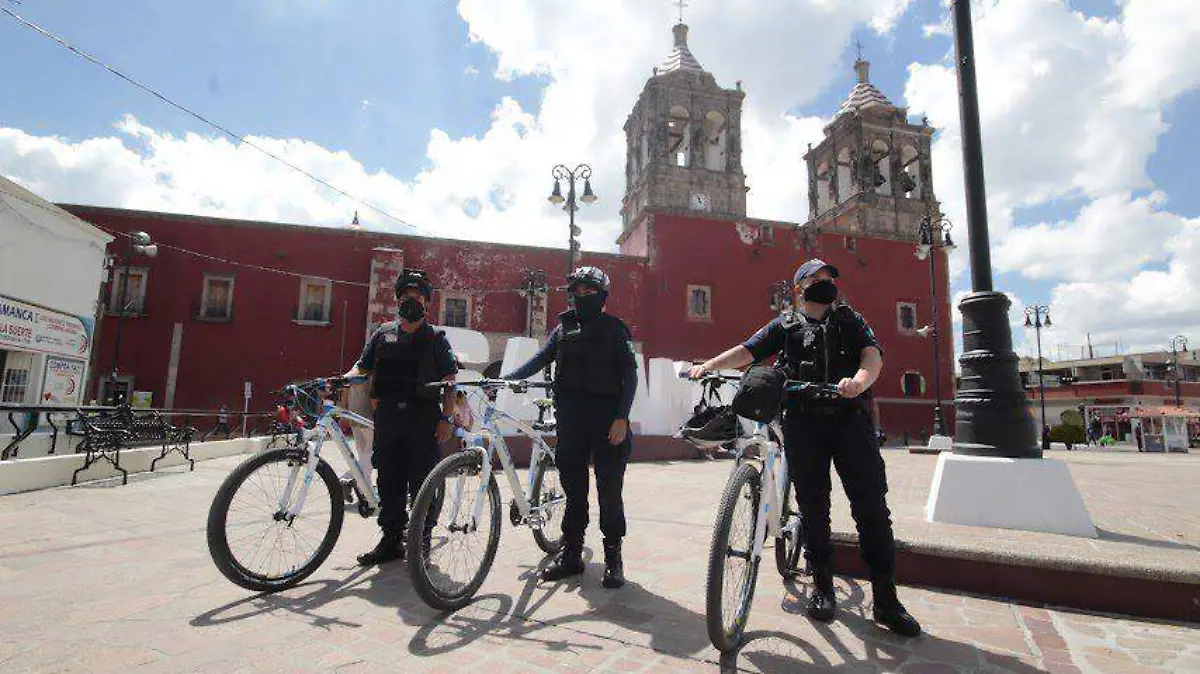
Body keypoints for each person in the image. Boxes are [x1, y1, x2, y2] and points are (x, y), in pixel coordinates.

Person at [688, 259, 920, 638]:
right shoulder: (786, 324)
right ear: (799, 288)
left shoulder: (849, 320)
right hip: (803, 423)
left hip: (850, 420)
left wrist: (860, 382)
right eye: (816, 279)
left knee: (872, 510)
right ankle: (823, 587)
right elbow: (748, 350)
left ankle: (886, 598)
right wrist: (708, 366)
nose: (825, 283)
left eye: (829, 278)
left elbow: (872, 355)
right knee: (814, 508)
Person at [503, 266, 638, 589]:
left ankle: (614, 558)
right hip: (571, 419)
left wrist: (622, 418)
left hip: (608, 420)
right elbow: (540, 359)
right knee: (574, 491)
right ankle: (572, 554)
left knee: (609, 490)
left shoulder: (615, 329)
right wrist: (507, 380)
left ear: (602, 295)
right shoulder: (562, 329)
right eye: (576, 291)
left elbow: (630, 377)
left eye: (588, 291)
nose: (581, 296)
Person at [342, 269, 458, 566]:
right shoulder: (383, 333)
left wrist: (447, 418)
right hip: (389, 418)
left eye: (418, 297)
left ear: (427, 303)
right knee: (389, 482)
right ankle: (391, 540)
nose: (412, 301)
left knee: (423, 483)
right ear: (398, 299)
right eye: (406, 296)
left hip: (424, 418)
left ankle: (421, 542)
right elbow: (363, 367)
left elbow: (449, 378)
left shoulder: (435, 338)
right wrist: (342, 380)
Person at [338, 378, 376, 503]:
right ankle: (345, 479)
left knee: (364, 456)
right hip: (368, 414)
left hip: (354, 414)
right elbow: (374, 393)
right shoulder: (374, 363)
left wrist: (344, 410)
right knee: (372, 456)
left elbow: (345, 387)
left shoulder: (357, 366)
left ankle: (366, 492)